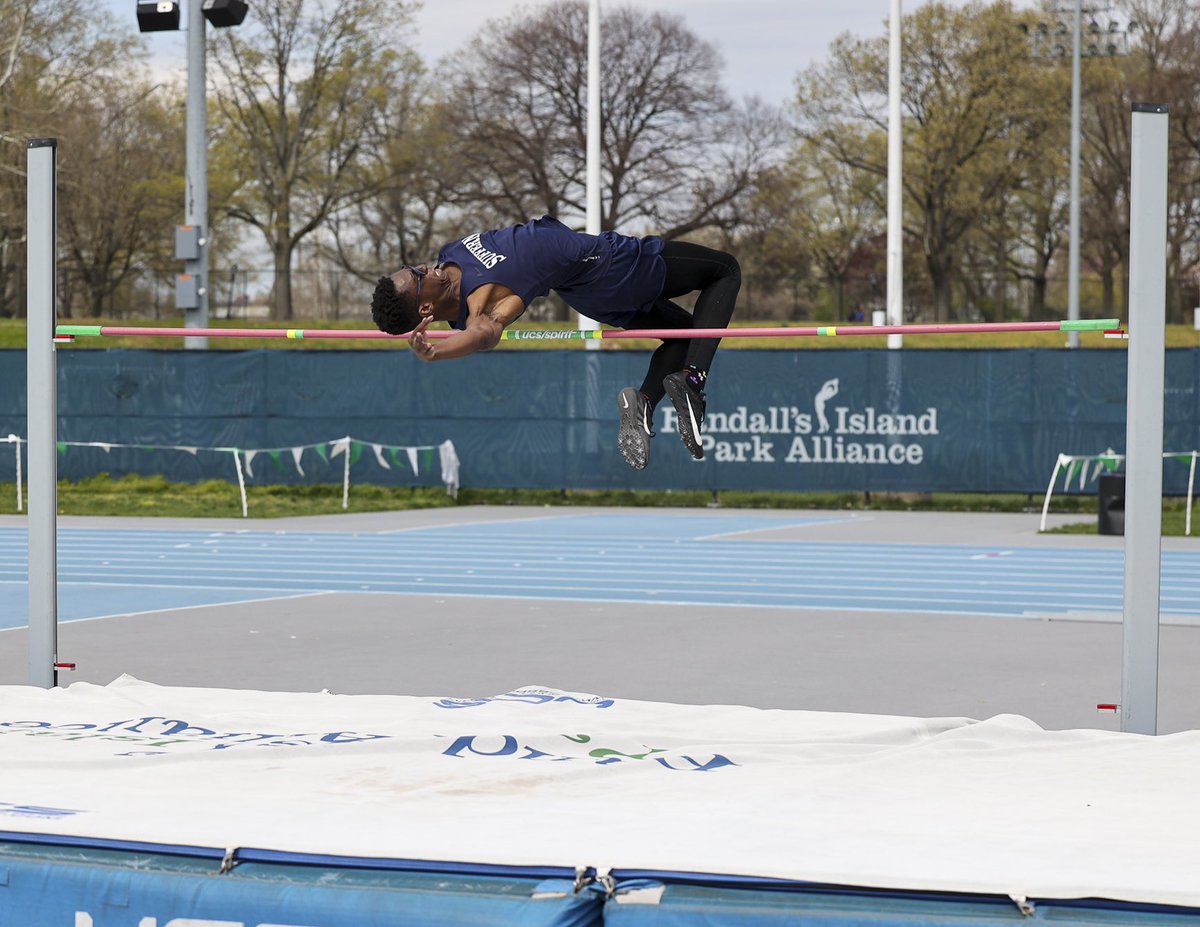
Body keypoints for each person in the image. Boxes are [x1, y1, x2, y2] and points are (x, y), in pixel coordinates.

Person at [370, 215, 740, 470]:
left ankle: (644, 402)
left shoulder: (449, 256)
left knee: (686, 334)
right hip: (612, 264)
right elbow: (482, 335)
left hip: (586, 293)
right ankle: (693, 381)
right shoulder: (484, 306)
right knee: (724, 270)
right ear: (425, 307)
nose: (422, 266)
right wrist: (437, 352)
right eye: (417, 275)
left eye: (413, 266)